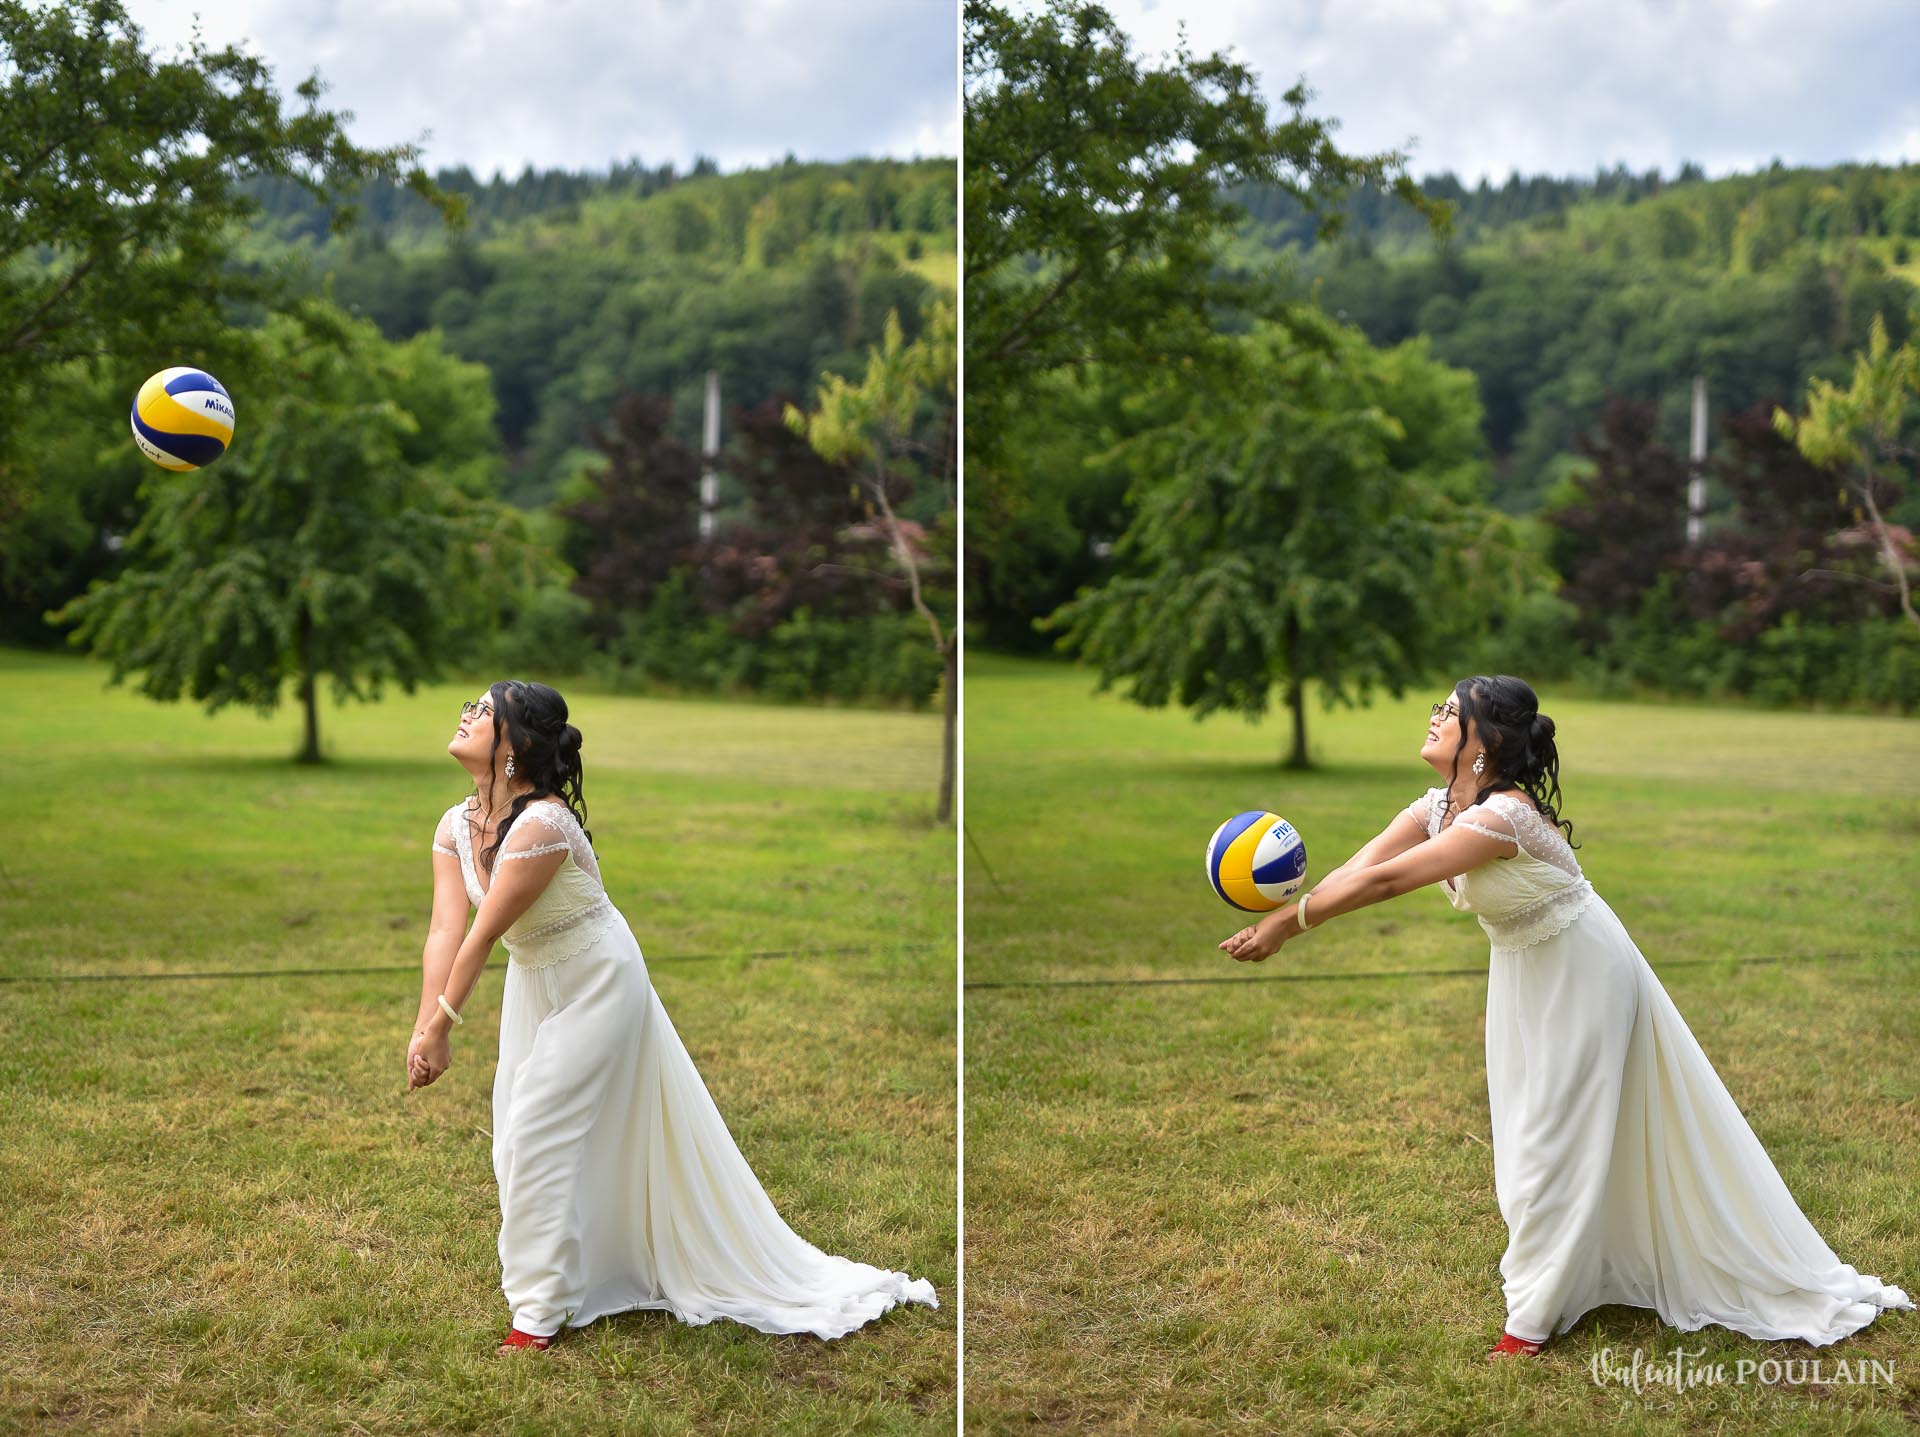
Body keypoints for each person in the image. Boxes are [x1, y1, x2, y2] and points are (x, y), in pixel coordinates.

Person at [1219, 674, 1911, 1362]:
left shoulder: (1503, 817)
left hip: (1584, 970)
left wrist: (1291, 924)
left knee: (1553, 1138)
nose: (1434, 717)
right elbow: (1361, 865)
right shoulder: (1438, 805)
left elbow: (1389, 881)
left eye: (1450, 712)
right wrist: (1283, 911)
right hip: (1523, 972)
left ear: (1485, 743)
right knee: (1527, 1129)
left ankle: (1532, 1317)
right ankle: (1592, 1266)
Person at [406, 679, 937, 1354]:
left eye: (484, 710)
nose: (467, 714)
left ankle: (537, 1313)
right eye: (471, 706)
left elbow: (482, 935)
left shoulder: (541, 825)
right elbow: (444, 930)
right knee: (513, 1131)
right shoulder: (454, 824)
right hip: (534, 980)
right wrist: (423, 1028)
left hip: (598, 979)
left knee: (537, 1129)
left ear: (517, 745)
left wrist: (443, 1028)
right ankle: (583, 1269)